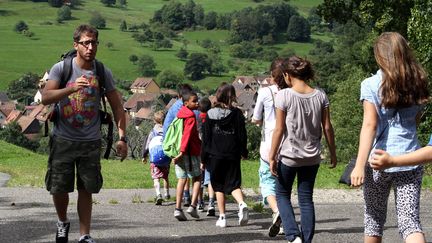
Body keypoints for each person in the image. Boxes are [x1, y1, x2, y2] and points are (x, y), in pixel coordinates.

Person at [42, 24, 128, 243]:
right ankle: (62, 222)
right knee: (59, 187)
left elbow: (118, 106)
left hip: (90, 140)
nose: (90, 47)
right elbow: (46, 97)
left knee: (86, 188)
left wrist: (122, 138)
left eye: (94, 43)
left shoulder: (102, 71)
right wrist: (71, 88)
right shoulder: (61, 68)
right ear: (76, 45)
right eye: (86, 43)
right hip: (63, 138)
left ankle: (84, 235)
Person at [350, 32, 429, 243]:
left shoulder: (370, 84)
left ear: (380, 56)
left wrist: (358, 166)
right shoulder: (419, 82)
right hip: (411, 159)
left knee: (373, 219)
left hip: (377, 161)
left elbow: (369, 125)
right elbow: (416, 119)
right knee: (410, 222)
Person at [268, 56, 337, 243]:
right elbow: (328, 127)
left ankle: (292, 235)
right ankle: (306, 240)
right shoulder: (321, 95)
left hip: (289, 156)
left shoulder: (283, 95)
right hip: (312, 157)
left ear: (287, 75)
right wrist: (333, 153)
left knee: (282, 194)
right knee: (306, 199)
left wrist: (272, 156)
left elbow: (279, 129)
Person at [201, 83, 249, 228]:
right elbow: (242, 136)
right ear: (232, 96)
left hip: (215, 155)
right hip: (232, 154)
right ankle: (242, 203)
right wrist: (243, 152)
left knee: (219, 186)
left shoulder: (210, 114)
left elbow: (206, 138)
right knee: (234, 184)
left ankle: (222, 217)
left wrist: (203, 158)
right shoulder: (238, 114)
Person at [252, 57, 289, 237]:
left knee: (267, 182)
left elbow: (256, 117)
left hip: (269, 146)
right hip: (290, 146)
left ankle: (276, 211)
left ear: (272, 76)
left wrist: (259, 122)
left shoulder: (265, 92)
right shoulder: (294, 92)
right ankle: (283, 221)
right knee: (284, 185)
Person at [163, 84, 198, 207]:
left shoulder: (174, 108)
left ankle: (184, 199)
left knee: (182, 177)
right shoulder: (193, 110)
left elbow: (167, 126)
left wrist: (167, 146)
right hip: (191, 148)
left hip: (177, 147)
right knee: (196, 175)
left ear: (179, 96)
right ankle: (195, 202)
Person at [172, 91, 202, 221]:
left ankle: (178, 209)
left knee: (182, 179)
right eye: (194, 101)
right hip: (190, 152)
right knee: (197, 178)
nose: (197, 103)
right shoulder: (190, 116)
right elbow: (187, 135)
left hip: (180, 151)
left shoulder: (180, 114)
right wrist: (182, 152)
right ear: (186, 103)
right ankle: (193, 206)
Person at [142, 110, 170, 205]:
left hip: (155, 159)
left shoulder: (152, 132)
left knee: (156, 178)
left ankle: (158, 194)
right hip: (166, 157)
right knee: (165, 177)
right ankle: (167, 194)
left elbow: (147, 145)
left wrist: (144, 156)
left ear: (154, 121)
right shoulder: (167, 130)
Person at [196, 97, 216, 216]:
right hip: (211, 152)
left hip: (198, 152)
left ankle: (199, 202)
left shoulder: (197, 119)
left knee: (199, 179)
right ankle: (212, 203)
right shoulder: (212, 119)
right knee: (210, 180)